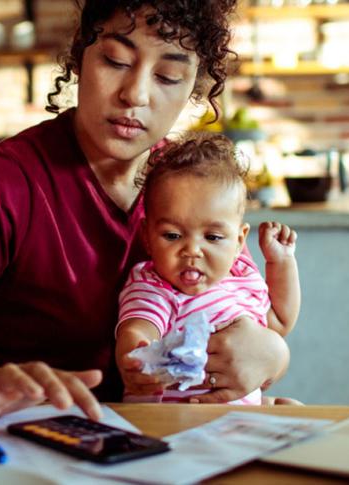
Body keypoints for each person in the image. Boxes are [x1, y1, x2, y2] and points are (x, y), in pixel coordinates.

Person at [0, 0, 292, 423]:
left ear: (194, 88)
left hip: (170, 437)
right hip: (28, 434)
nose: (135, 94)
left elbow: (245, 309)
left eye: (169, 77)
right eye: (116, 61)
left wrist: (272, 355)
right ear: (81, 56)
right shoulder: (5, 184)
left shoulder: (196, 186)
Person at [115, 132, 300, 404]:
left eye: (212, 237)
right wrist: (135, 355)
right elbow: (139, 327)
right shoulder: (155, 285)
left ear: (239, 241)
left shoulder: (241, 277)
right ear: (147, 237)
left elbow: (280, 323)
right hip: (179, 420)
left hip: (238, 419)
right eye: (173, 235)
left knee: (293, 409)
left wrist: (281, 263)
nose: (192, 250)